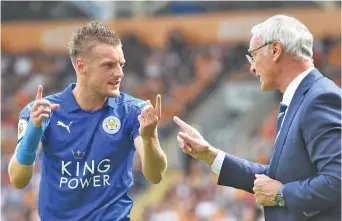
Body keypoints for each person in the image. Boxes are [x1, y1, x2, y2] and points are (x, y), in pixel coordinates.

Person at [173, 15, 341, 221]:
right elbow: (275, 178)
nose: (251, 67)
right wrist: (210, 155)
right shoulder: (301, 99)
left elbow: (337, 181)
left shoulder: (319, 98)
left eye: (253, 55)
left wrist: (281, 195)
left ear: (275, 50)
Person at [8, 21, 167, 221]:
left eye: (121, 64)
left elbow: (155, 176)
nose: (119, 73)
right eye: (109, 65)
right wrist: (34, 131)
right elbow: (18, 179)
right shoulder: (41, 111)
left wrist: (150, 137)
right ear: (82, 66)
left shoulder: (133, 111)